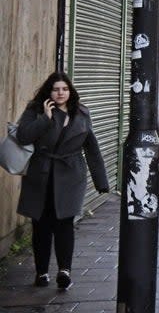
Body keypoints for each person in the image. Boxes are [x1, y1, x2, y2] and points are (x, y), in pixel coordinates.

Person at [15, 72, 108, 290]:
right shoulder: (36, 110)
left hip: (71, 175)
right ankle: (42, 272)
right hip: (41, 173)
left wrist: (101, 181)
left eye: (64, 89)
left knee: (65, 222)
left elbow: (91, 147)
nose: (60, 93)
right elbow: (23, 137)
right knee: (42, 224)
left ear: (70, 91)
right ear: (49, 91)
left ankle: (64, 271)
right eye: (56, 89)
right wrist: (44, 119)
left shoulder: (82, 113)